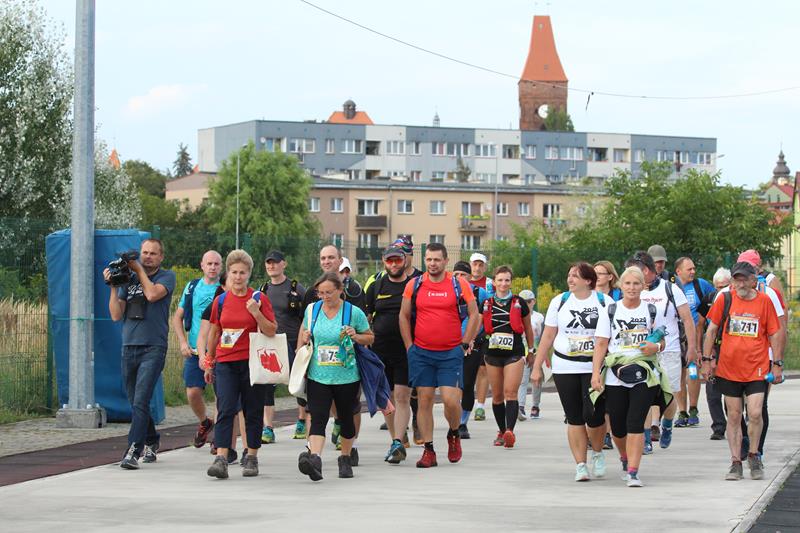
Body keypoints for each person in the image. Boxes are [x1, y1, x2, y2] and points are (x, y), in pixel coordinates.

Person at [399, 243, 480, 468]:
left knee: (450, 400)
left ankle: (453, 433)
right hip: (422, 353)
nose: (432, 264)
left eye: (436, 260)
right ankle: (429, 450)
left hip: (450, 353)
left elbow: (475, 315)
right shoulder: (414, 284)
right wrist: (409, 347)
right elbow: (403, 316)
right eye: (428, 259)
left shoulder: (458, 283)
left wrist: (465, 343)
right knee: (424, 400)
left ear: (445, 261)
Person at [701, 262, 783, 481]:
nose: (741, 283)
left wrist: (777, 363)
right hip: (729, 368)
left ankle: (754, 454)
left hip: (757, 367)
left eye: (745, 279)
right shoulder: (725, 299)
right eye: (737, 279)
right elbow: (711, 331)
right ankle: (736, 461)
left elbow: (775, 333)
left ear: (754, 280)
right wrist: (707, 360)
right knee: (735, 416)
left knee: (755, 412)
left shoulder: (765, 302)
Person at [532, 262, 611, 482]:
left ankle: (597, 451)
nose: (570, 279)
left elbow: (610, 337)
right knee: (574, 416)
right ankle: (581, 465)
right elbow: (548, 336)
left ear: (588, 280)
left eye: (576, 276)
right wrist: (537, 366)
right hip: (565, 366)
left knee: (594, 414)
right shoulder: (560, 301)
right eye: (569, 275)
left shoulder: (604, 302)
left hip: (593, 367)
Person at [594, 266, 671, 487]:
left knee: (635, 422)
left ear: (643, 286)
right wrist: (595, 375)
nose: (632, 288)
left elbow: (662, 340)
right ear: (621, 285)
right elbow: (600, 344)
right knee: (617, 426)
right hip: (615, 373)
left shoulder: (651, 310)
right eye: (627, 283)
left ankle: (634, 471)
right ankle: (625, 457)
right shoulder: (610, 311)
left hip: (643, 372)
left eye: (636, 283)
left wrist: (654, 346)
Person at [204, 250, 277, 479]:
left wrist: (256, 313)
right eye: (234, 272)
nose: (237, 277)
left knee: (252, 410)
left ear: (249, 274)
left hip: (252, 362)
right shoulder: (221, 300)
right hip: (226, 362)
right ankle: (222, 457)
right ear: (228, 273)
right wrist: (209, 360)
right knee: (225, 409)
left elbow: (271, 330)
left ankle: (252, 456)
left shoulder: (259, 298)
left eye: (242, 273)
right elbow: (215, 330)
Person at [105, 239, 177, 470]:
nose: (147, 257)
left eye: (153, 254)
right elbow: (117, 315)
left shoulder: (166, 277)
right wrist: (114, 286)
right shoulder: (131, 279)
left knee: (141, 399)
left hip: (153, 347)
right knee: (135, 400)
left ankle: (133, 449)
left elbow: (153, 294)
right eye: (144, 253)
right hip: (130, 346)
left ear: (161, 257)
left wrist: (138, 271)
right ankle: (152, 440)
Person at [296, 273, 374, 481]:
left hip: (346, 376)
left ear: (340, 290)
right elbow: (304, 332)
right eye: (320, 293)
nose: (324, 297)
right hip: (318, 374)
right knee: (318, 416)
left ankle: (345, 458)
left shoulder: (353, 312)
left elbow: (369, 337)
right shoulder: (312, 310)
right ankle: (315, 459)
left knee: (346, 419)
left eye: (329, 292)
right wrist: (303, 341)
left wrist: (355, 336)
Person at [626, 251, 696, 453]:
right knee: (644, 395)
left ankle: (667, 423)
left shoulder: (671, 289)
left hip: (670, 351)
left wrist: (691, 348)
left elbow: (688, 320)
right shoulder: (632, 292)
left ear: (645, 270)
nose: (630, 277)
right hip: (643, 352)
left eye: (634, 271)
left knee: (668, 395)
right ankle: (646, 438)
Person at [364, 246, 413, 464]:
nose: (394, 265)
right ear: (384, 262)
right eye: (390, 261)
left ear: (405, 261)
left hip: (405, 349)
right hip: (380, 350)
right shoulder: (376, 285)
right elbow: (366, 317)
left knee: (402, 396)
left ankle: (397, 442)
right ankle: (396, 439)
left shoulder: (413, 285)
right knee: (386, 398)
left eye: (398, 261)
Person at [172, 250, 222, 449]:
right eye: (209, 263)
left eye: (216, 264)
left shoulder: (223, 288)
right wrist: (183, 342)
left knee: (222, 396)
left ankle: (219, 438)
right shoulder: (192, 287)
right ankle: (204, 422)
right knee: (192, 392)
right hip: (194, 350)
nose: (212, 267)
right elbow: (177, 317)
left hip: (218, 352)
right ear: (202, 265)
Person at [481, 266, 534, 447]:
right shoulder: (487, 303)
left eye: (507, 280)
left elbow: (528, 328)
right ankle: (502, 431)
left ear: (511, 282)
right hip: (492, 353)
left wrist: (532, 351)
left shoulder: (519, 303)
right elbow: (478, 325)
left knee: (510, 392)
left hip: (514, 353)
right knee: (496, 396)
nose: (503, 284)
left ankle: (510, 431)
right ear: (494, 282)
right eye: (500, 280)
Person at [259, 250, 308, 444]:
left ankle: (302, 420)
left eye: (275, 262)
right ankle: (268, 428)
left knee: (297, 383)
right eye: (268, 263)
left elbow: (307, 316)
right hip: (271, 343)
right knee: (267, 385)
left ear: (284, 264)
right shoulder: (262, 290)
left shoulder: (296, 288)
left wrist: (302, 343)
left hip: (293, 341)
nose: (272, 266)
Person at [672, 256, 714, 428]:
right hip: (677, 336)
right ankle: (682, 411)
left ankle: (694, 408)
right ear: (678, 271)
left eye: (694, 268)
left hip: (696, 336)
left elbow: (714, 301)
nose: (693, 272)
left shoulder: (700, 285)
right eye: (689, 269)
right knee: (679, 374)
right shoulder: (672, 288)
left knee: (693, 372)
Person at [451, 260, 488, 439]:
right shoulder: (447, 291)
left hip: (473, 345)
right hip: (450, 345)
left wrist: (473, 339)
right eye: (456, 274)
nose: (459, 278)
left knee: (467, 383)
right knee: (451, 386)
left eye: (463, 274)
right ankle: (454, 420)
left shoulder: (479, 293)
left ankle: (463, 423)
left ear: (469, 276)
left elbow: (484, 319)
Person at [697, 268, 732, 440]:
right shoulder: (709, 299)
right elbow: (701, 325)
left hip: (730, 349)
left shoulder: (734, 299)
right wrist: (701, 351)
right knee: (712, 390)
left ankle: (733, 421)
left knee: (731, 391)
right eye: (718, 287)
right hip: (712, 347)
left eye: (724, 286)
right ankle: (718, 426)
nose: (721, 291)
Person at [469, 252, 493, 422]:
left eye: (480, 264)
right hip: (464, 332)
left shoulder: (490, 284)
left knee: (483, 369)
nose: (477, 268)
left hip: (485, 331)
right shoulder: (462, 282)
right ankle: (463, 400)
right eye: (475, 264)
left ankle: (480, 406)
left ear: (485, 266)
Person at [517, 289, 545, 420]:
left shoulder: (539, 317)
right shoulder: (518, 315)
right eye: (523, 302)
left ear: (533, 301)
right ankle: (521, 406)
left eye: (528, 301)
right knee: (522, 380)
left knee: (536, 380)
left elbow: (544, 335)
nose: (526, 304)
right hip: (522, 352)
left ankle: (535, 405)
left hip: (537, 351)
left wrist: (545, 355)